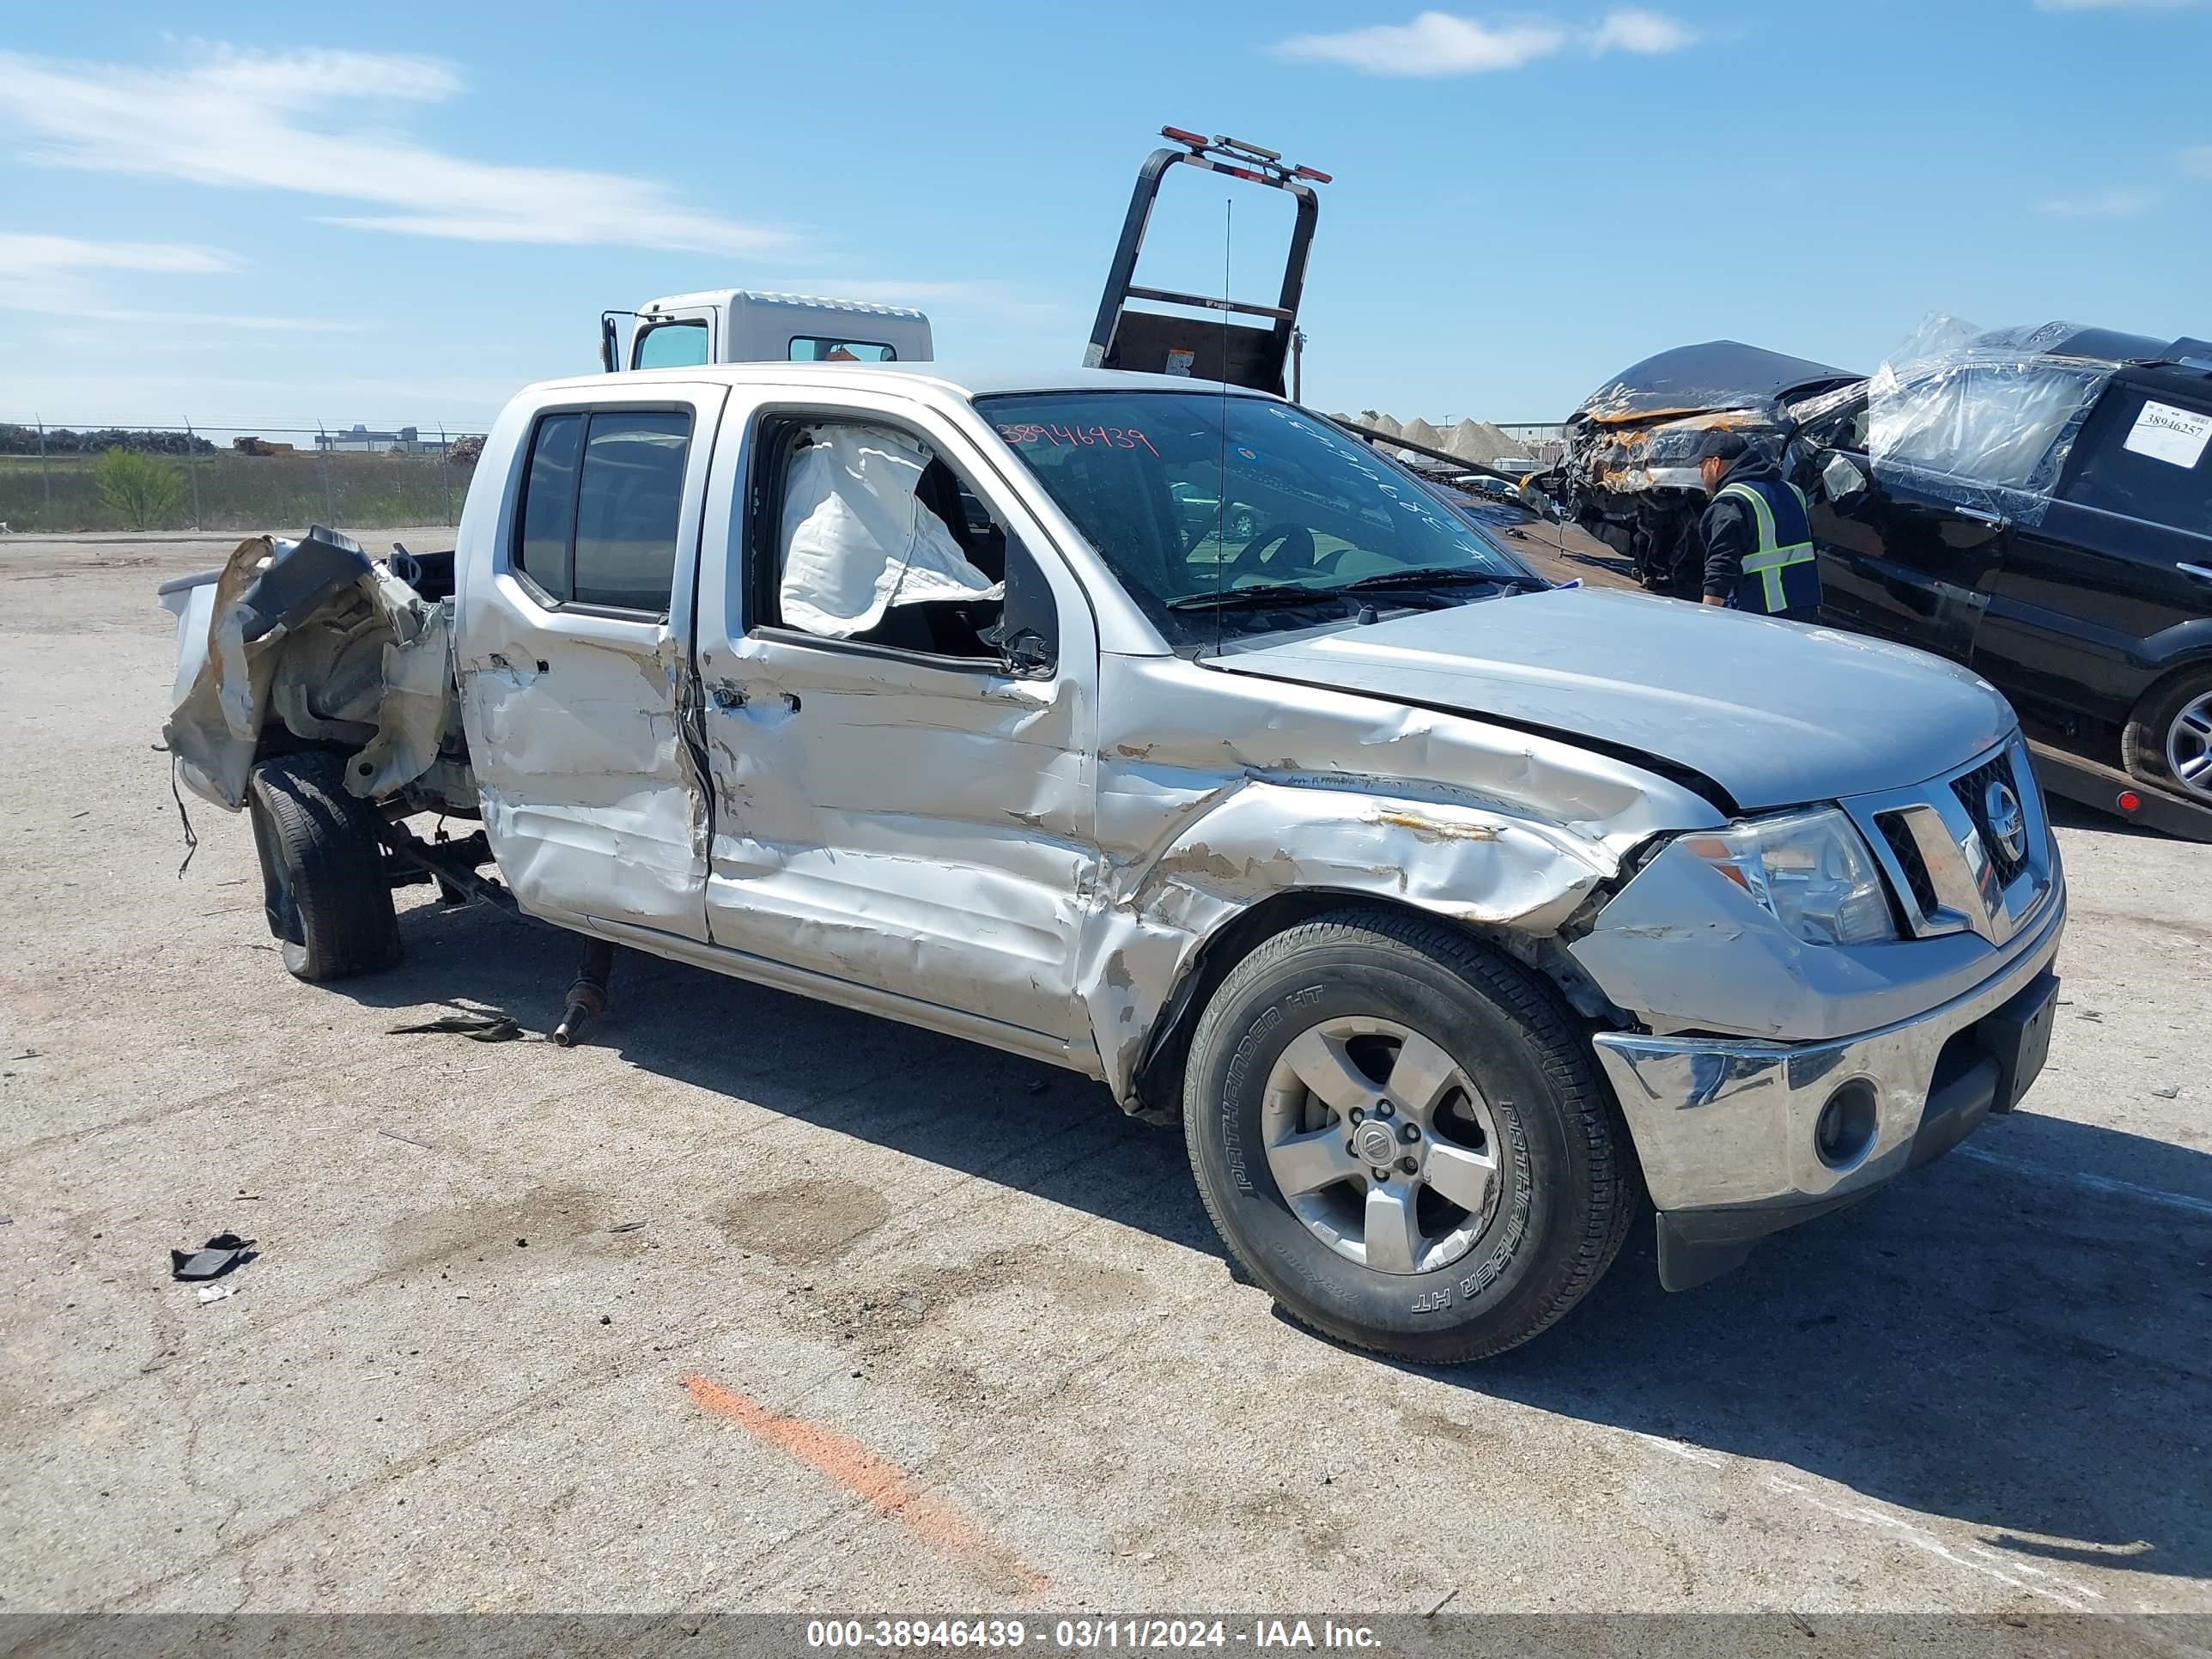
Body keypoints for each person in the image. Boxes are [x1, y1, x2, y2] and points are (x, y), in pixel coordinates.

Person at [1688, 432, 1823, 621]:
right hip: (1804, 610)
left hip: (1758, 615)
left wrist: (1707, 618)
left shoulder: (1731, 501)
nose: (1701, 475)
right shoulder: (1793, 492)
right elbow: (1810, 549)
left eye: (1701, 467)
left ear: (1715, 464)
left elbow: (1721, 567)